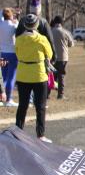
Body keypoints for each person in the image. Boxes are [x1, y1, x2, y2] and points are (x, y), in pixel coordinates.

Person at [13, 14, 53, 142]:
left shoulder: (19, 39)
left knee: (22, 106)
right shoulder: (42, 39)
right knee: (40, 106)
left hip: (23, 75)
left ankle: (18, 132)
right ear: (37, 25)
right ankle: (40, 135)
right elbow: (50, 54)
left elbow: (17, 54)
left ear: (25, 25)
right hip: (38, 75)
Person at [49, 16, 74, 99]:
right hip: (63, 57)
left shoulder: (50, 31)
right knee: (61, 76)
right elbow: (71, 44)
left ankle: (46, 94)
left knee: (50, 76)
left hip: (52, 57)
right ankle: (60, 94)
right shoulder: (65, 32)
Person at [1, 8, 19, 106]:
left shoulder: (0, 25)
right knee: (11, 77)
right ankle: (9, 99)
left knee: (3, 77)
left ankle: (2, 97)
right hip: (12, 53)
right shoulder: (13, 26)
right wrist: (17, 22)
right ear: (11, 15)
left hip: (2, 53)